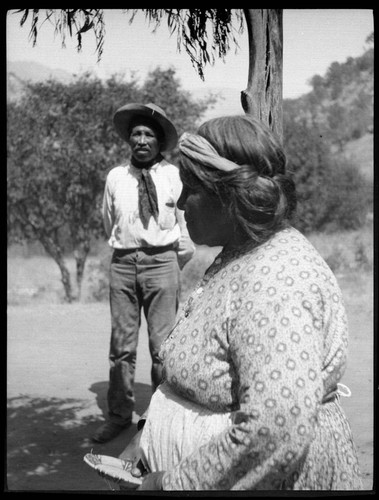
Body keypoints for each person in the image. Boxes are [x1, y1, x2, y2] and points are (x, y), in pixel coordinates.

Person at [115, 114, 363, 490]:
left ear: (229, 194)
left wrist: (172, 484)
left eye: (189, 190)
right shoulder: (242, 253)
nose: (179, 203)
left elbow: (277, 426)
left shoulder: (277, 282)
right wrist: (147, 432)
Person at [92, 103, 195, 443]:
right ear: (128, 140)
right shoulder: (116, 177)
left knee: (162, 345)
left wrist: (167, 263)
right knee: (121, 346)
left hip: (162, 262)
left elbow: (185, 229)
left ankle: (160, 419)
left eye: (148, 134)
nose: (141, 140)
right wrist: (129, 252)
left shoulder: (174, 176)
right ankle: (119, 415)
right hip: (122, 264)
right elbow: (110, 222)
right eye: (136, 134)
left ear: (159, 141)